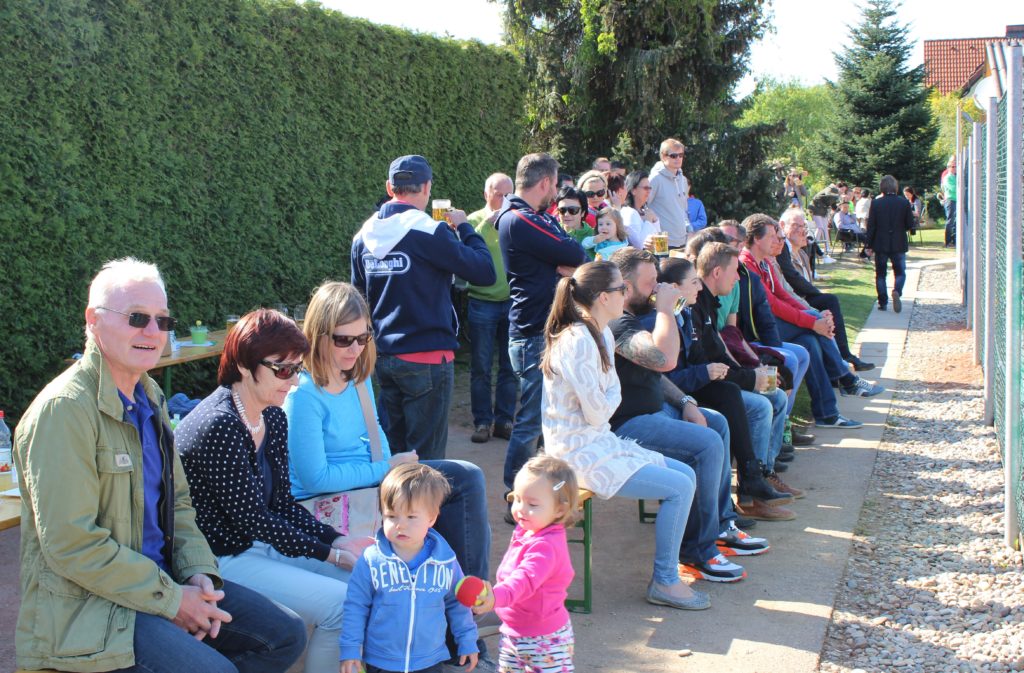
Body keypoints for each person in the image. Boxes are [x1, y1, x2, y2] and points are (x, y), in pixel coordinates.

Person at [14, 257, 306, 673]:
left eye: (162, 320)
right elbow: (72, 544)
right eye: (137, 318)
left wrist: (199, 573)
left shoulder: (149, 395)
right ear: (93, 320)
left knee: (283, 634)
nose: (152, 332)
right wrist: (172, 600)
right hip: (93, 606)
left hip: (160, 583)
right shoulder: (64, 410)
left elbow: (180, 505)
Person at [284, 281, 497, 671]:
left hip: (369, 487)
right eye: (344, 339)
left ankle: (469, 604)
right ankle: (464, 633)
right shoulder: (304, 396)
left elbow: (379, 443)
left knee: (463, 481)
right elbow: (315, 479)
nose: (355, 348)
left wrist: (399, 470)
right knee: (457, 489)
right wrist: (388, 469)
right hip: (325, 506)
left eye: (363, 337)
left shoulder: (358, 376)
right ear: (318, 335)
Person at [177, 309, 353, 673]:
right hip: (217, 559)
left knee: (360, 581)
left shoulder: (271, 415)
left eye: (297, 369)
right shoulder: (219, 425)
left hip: (255, 544)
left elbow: (282, 503)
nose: (294, 381)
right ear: (245, 365)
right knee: (343, 603)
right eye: (283, 370)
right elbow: (255, 520)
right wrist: (332, 554)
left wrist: (336, 540)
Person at [539, 260, 709, 609]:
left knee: (686, 475)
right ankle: (665, 581)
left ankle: (668, 575)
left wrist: (609, 394)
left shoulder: (601, 332)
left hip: (598, 440)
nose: (626, 294)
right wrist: (611, 393)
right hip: (574, 452)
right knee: (679, 487)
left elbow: (605, 403)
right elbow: (600, 410)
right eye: (621, 289)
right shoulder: (576, 340)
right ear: (603, 297)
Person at [608, 247, 787, 574]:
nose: (658, 288)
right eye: (651, 283)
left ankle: (722, 524)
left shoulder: (635, 318)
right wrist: (665, 310)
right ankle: (698, 552)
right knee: (706, 444)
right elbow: (664, 361)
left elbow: (657, 377)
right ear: (627, 287)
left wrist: (685, 402)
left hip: (654, 412)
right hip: (626, 425)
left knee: (716, 423)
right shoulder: (620, 323)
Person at [351, 154, 496, 460]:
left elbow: (357, 300)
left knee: (393, 457)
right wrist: (465, 228)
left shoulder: (362, 237)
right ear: (427, 187)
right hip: (428, 356)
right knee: (427, 464)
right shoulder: (431, 231)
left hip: (383, 357)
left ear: (389, 188)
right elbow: (485, 272)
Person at [663, 249, 801, 513]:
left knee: (775, 390)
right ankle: (750, 486)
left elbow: (722, 348)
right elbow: (691, 366)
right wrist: (750, 378)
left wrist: (754, 370)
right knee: (758, 404)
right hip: (693, 389)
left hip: (708, 380)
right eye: (735, 271)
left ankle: (760, 475)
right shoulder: (691, 308)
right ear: (717, 272)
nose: (739, 278)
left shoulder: (701, 305)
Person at [497, 153, 587, 499]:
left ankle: (535, 493)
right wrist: (563, 265)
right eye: (555, 184)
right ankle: (515, 494)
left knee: (544, 418)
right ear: (546, 182)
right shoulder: (521, 217)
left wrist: (566, 265)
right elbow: (575, 254)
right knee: (531, 421)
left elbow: (575, 256)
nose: (556, 193)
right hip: (533, 332)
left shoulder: (532, 217)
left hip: (539, 331)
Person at [740, 215, 882, 427]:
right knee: (811, 332)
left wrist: (814, 316)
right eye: (772, 236)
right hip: (760, 330)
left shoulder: (765, 263)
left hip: (772, 324)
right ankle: (845, 378)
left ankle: (827, 413)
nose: (777, 240)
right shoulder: (747, 264)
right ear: (756, 239)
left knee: (810, 342)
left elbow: (784, 295)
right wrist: (813, 321)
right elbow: (773, 305)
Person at [340, 463, 479, 673]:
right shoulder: (371, 560)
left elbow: (457, 603)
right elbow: (356, 605)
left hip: (429, 660)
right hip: (381, 659)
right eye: (391, 516)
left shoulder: (445, 561)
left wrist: (467, 640)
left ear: (431, 518)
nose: (400, 525)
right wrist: (350, 648)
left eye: (411, 517)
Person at [472, 456, 578, 673]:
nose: (520, 508)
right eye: (517, 499)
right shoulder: (527, 530)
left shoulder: (546, 546)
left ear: (559, 510)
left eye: (533, 504)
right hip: (515, 632)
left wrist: (495, 597)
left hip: (544, 641)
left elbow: (524, 579)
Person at [778, 207, 875, 371]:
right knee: (827, 304)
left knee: (828, 306)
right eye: (795, 226)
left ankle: (841, 360)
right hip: (794, 301)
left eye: (803, 227)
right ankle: (842, 360)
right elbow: (792, 279)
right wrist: (816, 296)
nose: (801, 231)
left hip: (801, 298)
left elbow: (806, 278)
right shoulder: (782, 250)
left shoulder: (800, 252)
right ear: (782, 225)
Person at [466, 173, 517, 444]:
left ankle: (504, 420)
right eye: (499, 194)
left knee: (511, 366)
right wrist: (486, 224)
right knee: (481, 366)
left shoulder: (516, 219)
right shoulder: (473, 221)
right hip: (481, 301)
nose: (505, 199)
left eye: (509, 194)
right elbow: (463, 253)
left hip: (512, 302)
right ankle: (483, 421)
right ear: (486, 194)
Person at [865, 175, 917, 313]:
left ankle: (882, 302)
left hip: (880, 242)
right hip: (898, 242)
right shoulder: (904, 203)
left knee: (880, 274)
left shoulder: (876, 203)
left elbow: (871, 226)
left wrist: (868, 245)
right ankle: (897, 290)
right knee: (900, 272)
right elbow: (910, 224)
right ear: (895, 187)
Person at [647, 138, 691, 248]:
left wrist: (689, 228)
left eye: (681, 155)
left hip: (683, 241)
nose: (678, 158)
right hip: (661, 242)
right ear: (663, 156)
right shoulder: (655, 179)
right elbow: (642, 207)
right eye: (673, 156)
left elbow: (683, 209)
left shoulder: (683, 180)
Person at [620, 170, 662, 250]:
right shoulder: (628, 213)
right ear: (633, 190)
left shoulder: (646, 212)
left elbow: (659, 244)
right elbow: (639, 245)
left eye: (650, 188)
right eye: (645, 188)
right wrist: (649, 221)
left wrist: (655, 221)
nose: (649, 191)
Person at [940, 157, 957, 247]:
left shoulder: (955, 177)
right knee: (950, 221)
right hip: (950, 200)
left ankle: (954, 240)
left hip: (956, 200)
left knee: (955, 221)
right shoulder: (948, 177)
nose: (954, 168)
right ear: (948, 168)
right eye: (952, 167)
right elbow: (954, 189)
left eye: (955, 166)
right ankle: (947, 241)